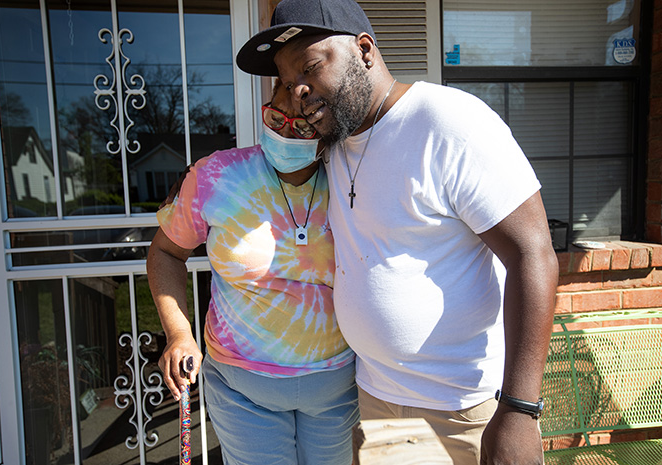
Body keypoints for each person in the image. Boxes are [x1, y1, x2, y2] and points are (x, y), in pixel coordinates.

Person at [235, 1, 559, 464]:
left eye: (310, 67)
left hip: (463, 409)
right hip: (377, 402)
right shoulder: (335, 142)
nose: (299, 90)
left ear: (364, 50)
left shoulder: (448, 123)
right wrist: (199, 176)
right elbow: (279, 169)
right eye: (286, 82)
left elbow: (534, 254)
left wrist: (520, 410)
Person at [147, 81, 359, 465]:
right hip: (242, 388)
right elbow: (165, 252)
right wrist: (179, 334)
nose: (285, 132)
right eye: (276, 118)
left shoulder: (354, 179)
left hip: (336, 389)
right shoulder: (215, 176)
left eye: (303, 126)